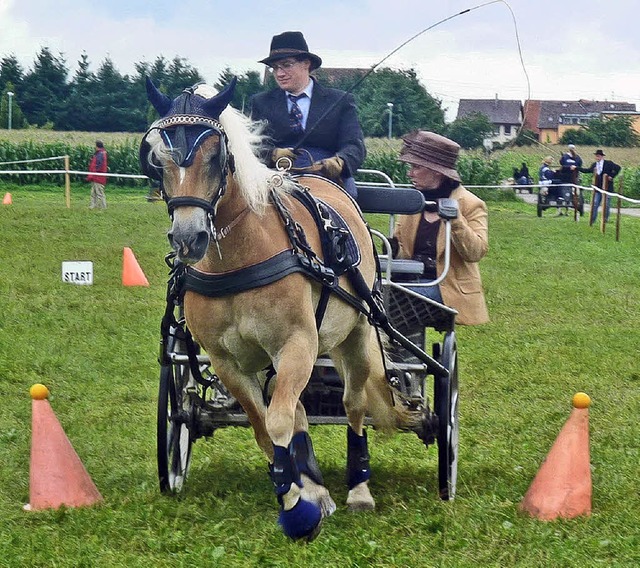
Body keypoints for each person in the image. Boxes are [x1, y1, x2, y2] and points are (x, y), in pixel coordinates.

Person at [389, 131, 489, 326]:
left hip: (446, 287)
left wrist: (456, 221)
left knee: (392, 297)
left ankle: (394, 350)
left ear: (436, 171)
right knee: (380, 292)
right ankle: (402, 351)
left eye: (416, 167)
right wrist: (391, 248)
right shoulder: (413, 202)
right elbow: (404, 254)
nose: (410, 173)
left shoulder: (471, 204)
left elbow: (476, 253)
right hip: (411, 279)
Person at [250, 31, 366, 197]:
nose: (279, 73)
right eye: (275, 68)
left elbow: (355, 145)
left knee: (347, 203)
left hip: (329, 179)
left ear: (306, 64)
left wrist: (340, 162)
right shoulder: (261, 103)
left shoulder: (340, 101)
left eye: (286, 65)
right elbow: (251, 146)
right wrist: (273, 154)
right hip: (276, 178)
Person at [580, 149, 621, 224]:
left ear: (602, 157)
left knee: (606, 205)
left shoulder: (608, 163)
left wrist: (612, 176)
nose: (597, 158)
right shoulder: (594, 165)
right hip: (598, 188)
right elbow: (587, 170)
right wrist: (577, 168)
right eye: (596, 156)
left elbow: (618, 168)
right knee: (595, 203)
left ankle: (605, 219)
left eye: (598, 156)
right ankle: (592, 220)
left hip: (607, 188)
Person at [87, 140, 108, 209]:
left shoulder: (100, 154)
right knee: (93, 192)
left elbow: (98, 165)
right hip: (96, 176)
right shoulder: (100, 153)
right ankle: (93, 205)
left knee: (99, 193)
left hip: (98, 177)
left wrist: (94, 172)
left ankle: (103, 206)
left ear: (97, 146)